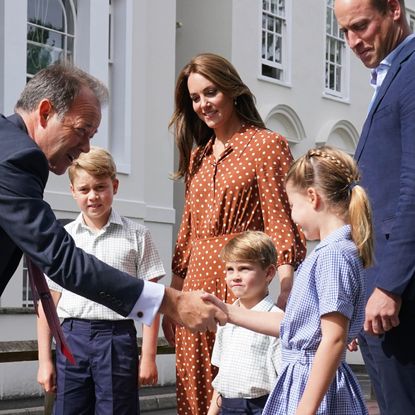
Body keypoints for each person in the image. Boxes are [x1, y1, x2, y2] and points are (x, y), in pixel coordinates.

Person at [0, 63, 226, 340]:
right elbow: (60, 259)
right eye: (82, 130)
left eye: (91, 136)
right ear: (46, 112)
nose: (85, 147)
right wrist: (172, 302)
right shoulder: (19, 158)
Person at [162, 53, 306, 414]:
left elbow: (280, 216)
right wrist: (174, 300)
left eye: (210, 92)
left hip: (238, 280)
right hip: (195, 284)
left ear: (231, 90)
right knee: (194, 388)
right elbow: (186, 235)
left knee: (243, 387)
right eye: (195, 98)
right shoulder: (199, 158)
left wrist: (287, 283)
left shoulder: (266, 144)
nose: (202, 105)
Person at [211, 146, 374, 414]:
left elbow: (332, 339)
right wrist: (227, 311)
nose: (293, 215)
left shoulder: (333, 255)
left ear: (313, 197)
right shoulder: (331, 252)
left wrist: (305, 409)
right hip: (307, 380)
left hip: (311, 386)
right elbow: (295, 327)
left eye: (293, 205)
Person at [36, 147, 164, 414]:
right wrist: (44, 360)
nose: (92, 196)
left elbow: (152, 299)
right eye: (84, 190)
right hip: (71, 338)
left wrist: (149, 356)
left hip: (116, 340)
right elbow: (48, 303)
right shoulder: (62, 237)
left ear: (114, 186)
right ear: (73, 191)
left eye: (100, 187)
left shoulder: (137, 235)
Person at [334, 0, 415, 412]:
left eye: (361, 26)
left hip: (398, 295)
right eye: (345, 30)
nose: (352, 41)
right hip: (377, 289)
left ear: (395, 10)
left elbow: (412, 186)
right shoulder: (387, 78)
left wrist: (389, 286)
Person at [207, 231, 282, 415]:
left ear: (269, 273)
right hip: (227, 406)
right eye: (230, 269)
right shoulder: (225, 319)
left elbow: (284, 380)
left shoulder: (276, 321)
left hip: (261, 408)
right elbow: (221, 376)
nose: (235, 276)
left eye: (244, 268)